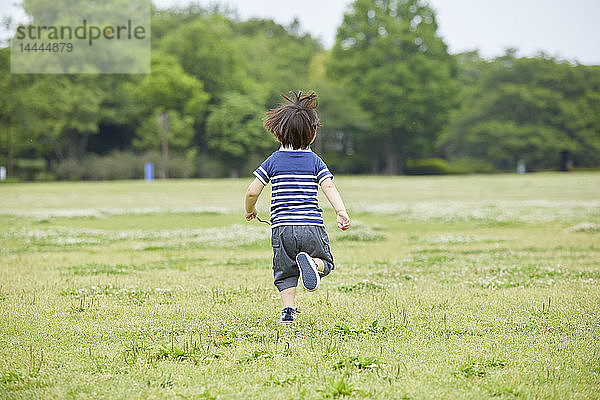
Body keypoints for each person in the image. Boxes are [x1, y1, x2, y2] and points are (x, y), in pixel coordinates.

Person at [244, 90, 351, 325]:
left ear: (277, 134)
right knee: (327, 263)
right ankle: (313, 263)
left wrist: (250, 210)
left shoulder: (273, 161)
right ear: (312, 135)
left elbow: (252, 190)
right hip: (311, 225)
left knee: (285, 271)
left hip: (282, 228)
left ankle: (288, 312)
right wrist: (340, 210)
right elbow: (329, 187)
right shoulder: (314, 161)